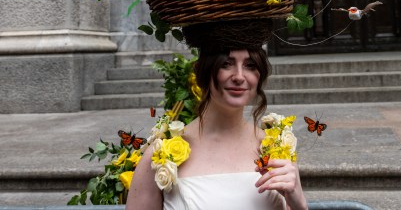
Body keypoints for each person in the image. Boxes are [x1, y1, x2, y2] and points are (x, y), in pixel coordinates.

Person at [125, 20, 308, 210]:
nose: (239, 76)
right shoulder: (158, 156)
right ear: (203, 70)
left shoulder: (277, 151)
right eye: (226, 64)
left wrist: (298, 203)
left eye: (250, 65)